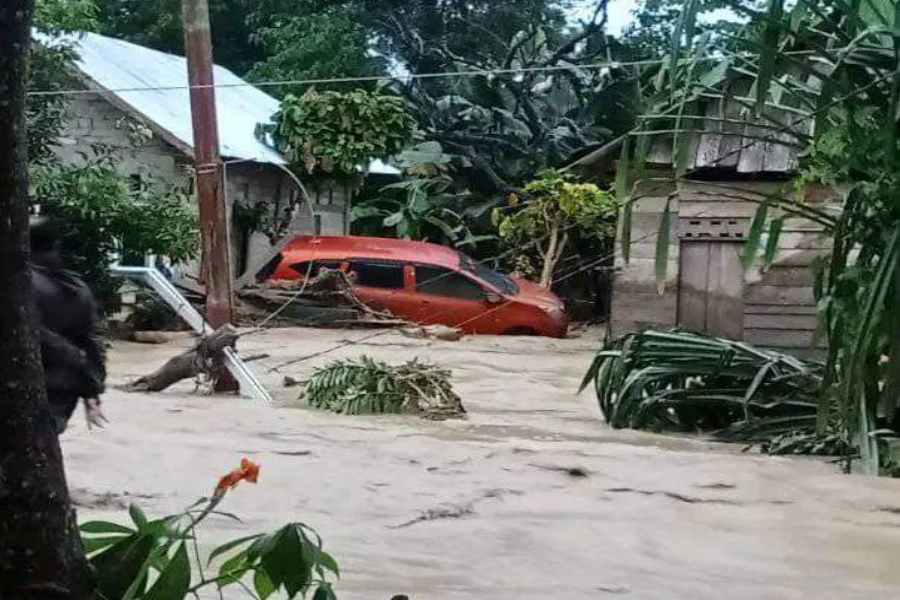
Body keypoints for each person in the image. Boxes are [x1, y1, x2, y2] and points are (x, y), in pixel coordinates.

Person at [29, 216, 108, 433]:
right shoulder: (77, 287)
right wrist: (91, 390)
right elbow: (91, 341)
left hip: (25, 386)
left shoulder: (18, 284)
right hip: (63, 391)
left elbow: (31, 332)